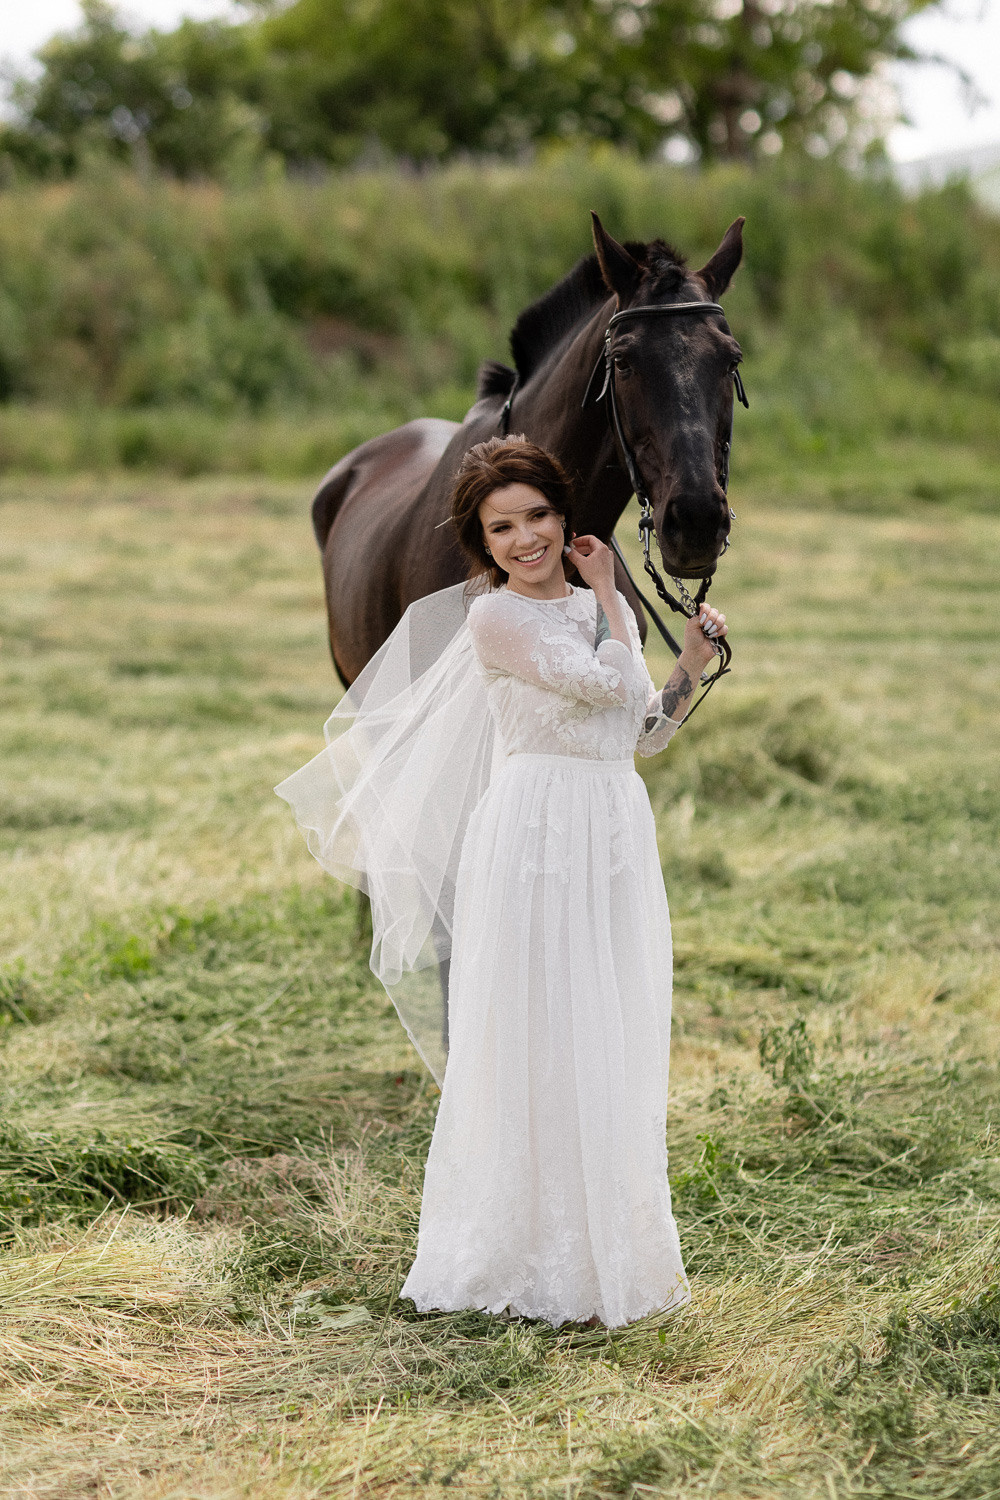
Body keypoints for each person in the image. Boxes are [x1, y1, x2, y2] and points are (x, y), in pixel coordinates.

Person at [276, 436, 727, 1329]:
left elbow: (641, 730)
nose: (526, 540)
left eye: (539, 518)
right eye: (503, 527)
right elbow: (599, 684)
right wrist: (608, 595)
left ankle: (608, 1254)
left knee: (609, 1025)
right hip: (536, 830)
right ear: (482, 543)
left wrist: (689, 667)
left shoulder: (607, 609)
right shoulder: (497, 621)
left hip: (611, 826)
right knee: (534, 1031)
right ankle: (517, 1253)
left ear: (566, 518)